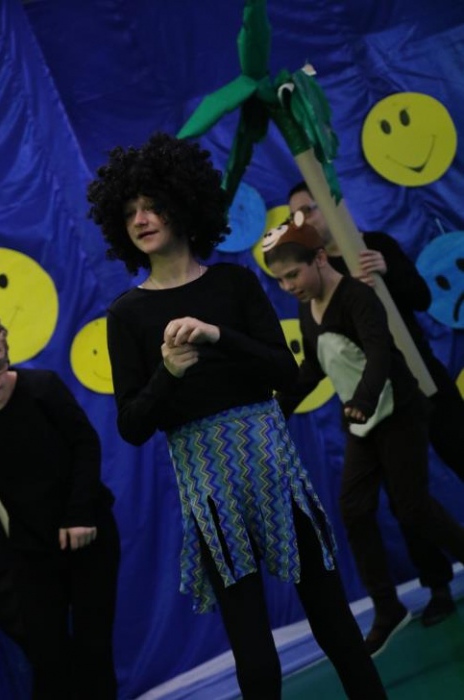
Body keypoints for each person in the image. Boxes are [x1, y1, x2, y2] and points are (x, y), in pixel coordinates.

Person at [87, 132, 387, 700]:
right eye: (129, 212)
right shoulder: (127, 314)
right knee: (253, 650)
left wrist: (217, 335)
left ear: (183, 205)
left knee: (334, 622)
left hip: (276, 472)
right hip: (209, 492)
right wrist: (168, 372)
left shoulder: (234, 283)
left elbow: (286, 374)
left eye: (152, 205)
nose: (141, 219)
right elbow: (132, 425)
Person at [263, 216, 464, 658]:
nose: (288, 287)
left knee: (413, 507)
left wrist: (364, 399)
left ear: (319, 258)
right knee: (353, 509)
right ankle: (387, 607)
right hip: (361, 421)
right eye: (280, 281)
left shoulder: (357, 296)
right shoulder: (308, 305)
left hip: (398, 411)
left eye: (293, 275)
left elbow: (378, 353)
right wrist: (278, 409)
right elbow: (314, 366)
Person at [0, 319, 120, 700]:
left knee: (93, 650)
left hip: (88, 534)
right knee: (48, 659)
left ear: (5, 350)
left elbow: (85, 444)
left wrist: (79, 515)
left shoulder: (41, 388)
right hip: (32, 549)